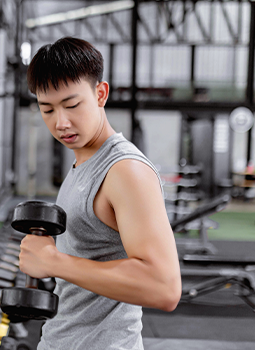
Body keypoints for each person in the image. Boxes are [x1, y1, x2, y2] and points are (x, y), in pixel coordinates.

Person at [19, 37, 181, 350]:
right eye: (47, 109)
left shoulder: (124, 171)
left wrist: (53, 262)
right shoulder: (82, 161)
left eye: (72, 105)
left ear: (100, 94)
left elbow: (164, 287)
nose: (61, 122)